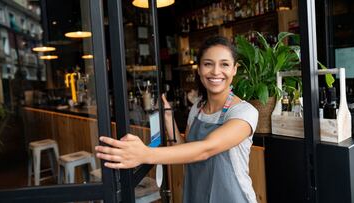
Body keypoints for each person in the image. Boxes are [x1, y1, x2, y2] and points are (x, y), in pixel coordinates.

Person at [95, 36, 259, 203]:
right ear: (199, 69)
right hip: (196, 195)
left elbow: (206, 149)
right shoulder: (197, 108)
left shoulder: (244, 112)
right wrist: (168, 117)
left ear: (234, 69)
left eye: (224, 64)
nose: (216, 72)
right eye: (208, 64)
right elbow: (184, 150)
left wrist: (145, 154)